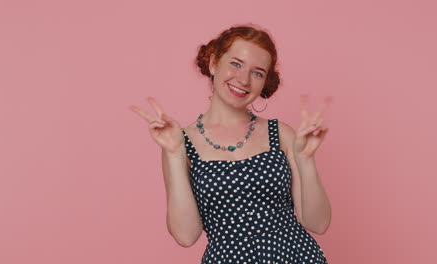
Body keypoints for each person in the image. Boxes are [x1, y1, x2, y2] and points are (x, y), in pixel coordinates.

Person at [130, 24, 332, 264]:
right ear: (214, 63)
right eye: (236, 64)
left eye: (257, 73)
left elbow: (318, 223)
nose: (244, 80)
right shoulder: (179, 142)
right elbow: (186, 235)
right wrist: (174, 153)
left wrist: (306, 160)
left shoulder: (282, 135)